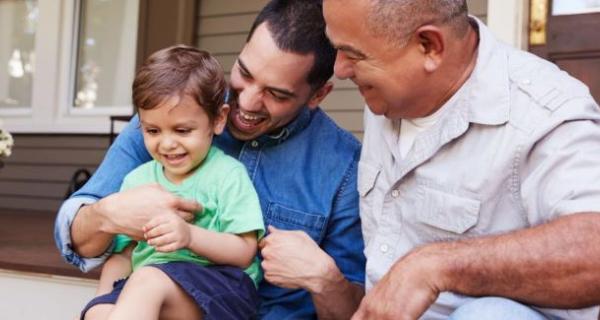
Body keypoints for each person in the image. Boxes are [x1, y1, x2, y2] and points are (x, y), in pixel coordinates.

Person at [54, 1, 365, 319]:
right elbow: (82, 236)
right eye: (244, 72)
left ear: (317, 95)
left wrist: (326, 280)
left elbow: (353, 311)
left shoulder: (343, 166)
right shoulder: (171, 114)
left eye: (276, 94)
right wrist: (109, 213)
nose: (246, 101)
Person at [323, 0, 600, 319]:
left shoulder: (543, 113)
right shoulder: (389, 95)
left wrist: (435, 265)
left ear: (429, 46)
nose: (340, 70)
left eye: (353, 55)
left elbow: (594, 247)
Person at [78, 45, 265, 320]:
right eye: (152, 130)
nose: (167, 143)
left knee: (148, 281)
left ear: (218, 119)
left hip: (221, 287)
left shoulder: (227, 175)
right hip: (148, 287)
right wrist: (101, 301)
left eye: (182, 130)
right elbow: (124, 254)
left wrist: (189, 236)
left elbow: (245, 251)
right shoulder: (137, 181)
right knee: (98, 313)